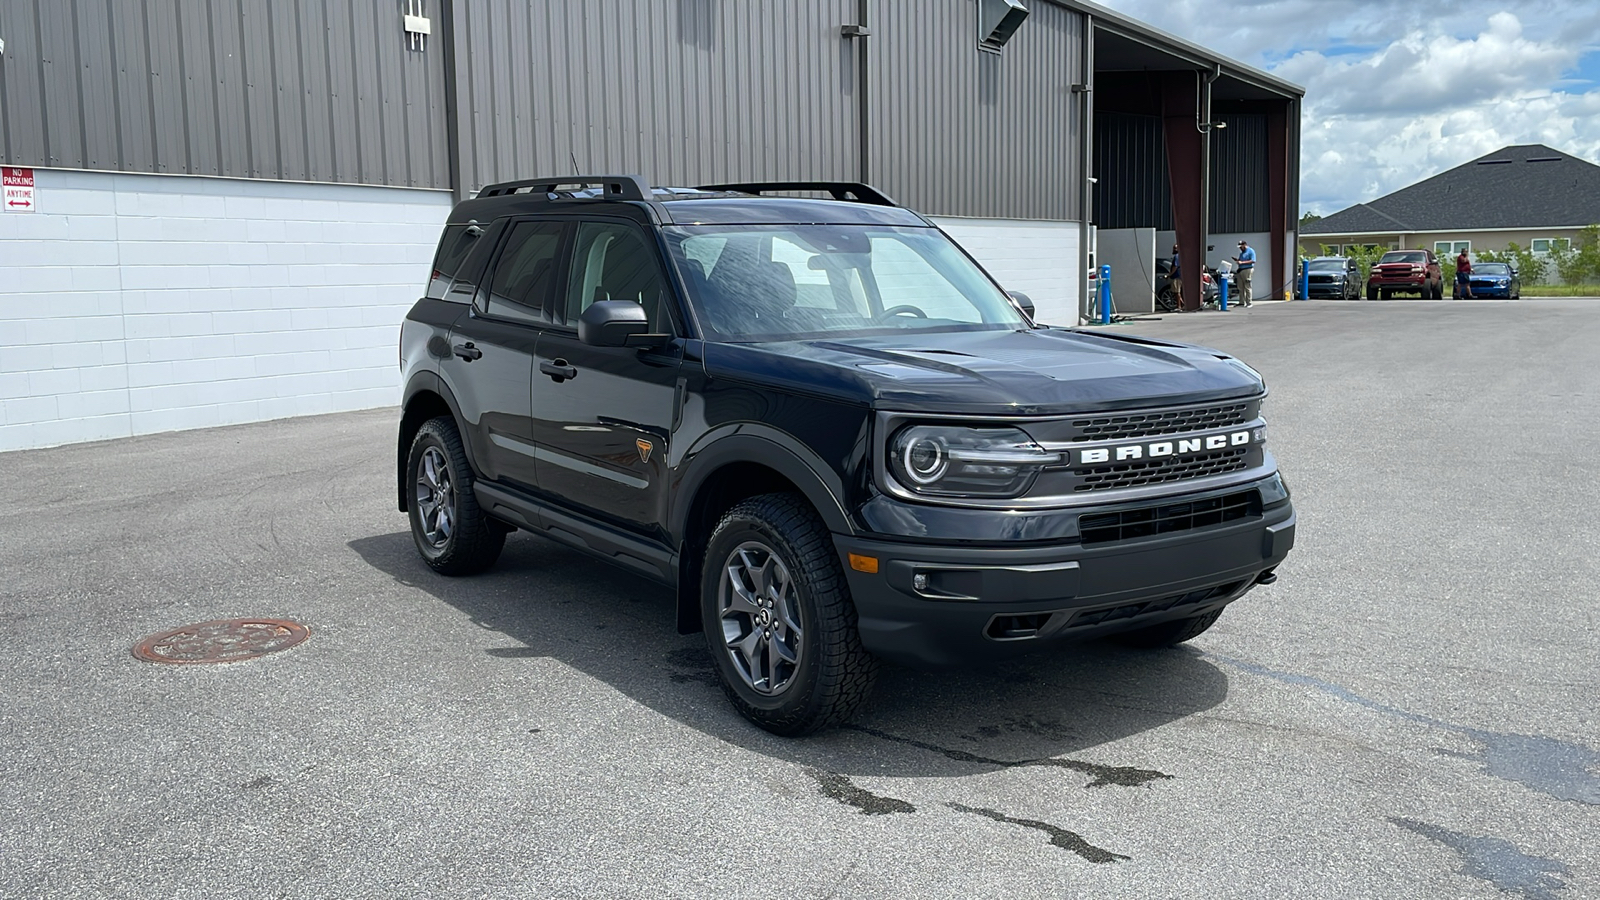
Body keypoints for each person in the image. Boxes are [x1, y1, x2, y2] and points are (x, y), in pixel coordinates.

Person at [1234, 240, 1255, 306]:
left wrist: (1242, 262)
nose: (1240, 248)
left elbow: (1253, 260)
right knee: (1241, 287)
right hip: (1241, 270)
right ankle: (1241, 302)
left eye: (1241, 247)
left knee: (1247, 286)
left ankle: (1249, 302)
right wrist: (1238, 261)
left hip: (1247, 269)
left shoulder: (1251, 251)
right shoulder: (1242, 253)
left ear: (1244, 245)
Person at [1169, 244, 1185, 310]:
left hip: (1176, 276)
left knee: (1177, 292)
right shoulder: (1181, 257)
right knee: (1178, 292)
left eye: (1175, 248)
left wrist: (1169, 274)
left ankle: (1179, 306)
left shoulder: (1176, 257)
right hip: (1180, 276)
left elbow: (1175, 267)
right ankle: (1183, 304)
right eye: (1174, 248)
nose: (1174, 250)